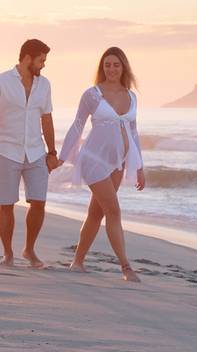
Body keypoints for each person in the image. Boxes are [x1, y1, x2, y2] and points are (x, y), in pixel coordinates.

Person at [58, 46, 145, 282]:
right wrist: (62, 156)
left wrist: (139, 167)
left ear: (123, 67)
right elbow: (78, 125)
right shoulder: (92, 94)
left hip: (118, 162)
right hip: (93, 160)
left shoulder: (131, 97)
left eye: (116, 65)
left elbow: (133, 132)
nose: (111, 69)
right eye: (107, 65)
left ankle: (77, 262)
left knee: (95, 213)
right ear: (102, 68)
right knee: (113, 211)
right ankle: (126, 267)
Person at [0, 39, 60, 268]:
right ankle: (8, 253)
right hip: (7, 151)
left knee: (39, 202)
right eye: (41, 60)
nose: (43, 65)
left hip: (36, 152)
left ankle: (29, 250)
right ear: (27, 58)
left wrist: (52, 152)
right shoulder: (0, 82)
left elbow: (47, 118)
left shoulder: (44, 85)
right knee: (6, 204)